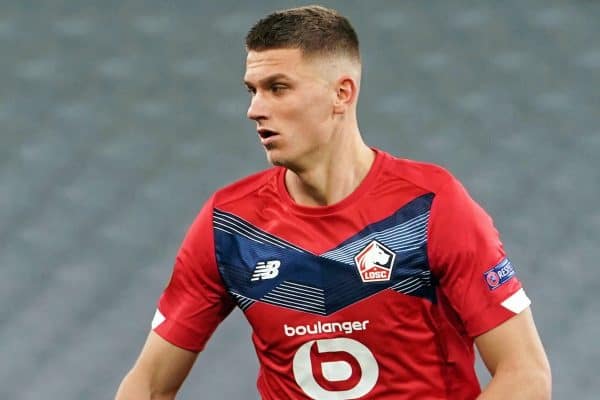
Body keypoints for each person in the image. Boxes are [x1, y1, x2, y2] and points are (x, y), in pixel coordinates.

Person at [115, 5, 551, 399]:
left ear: (342, 93)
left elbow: (526, 376)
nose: (255, 109)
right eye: (252, 90)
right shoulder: (229, 226)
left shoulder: (429, 206)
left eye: (278, 88)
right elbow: (147, 385)